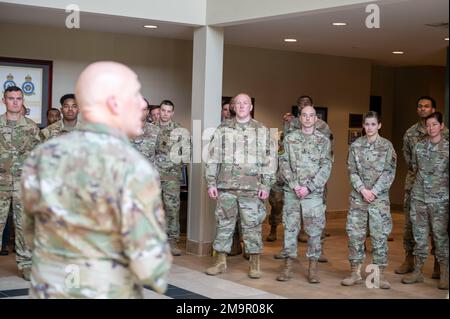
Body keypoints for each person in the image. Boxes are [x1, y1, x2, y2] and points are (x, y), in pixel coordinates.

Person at [20, 61, 172, 298]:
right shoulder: (131, 167)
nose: (143, 103)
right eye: (136, 94)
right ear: (114, 103)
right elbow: (150, 267)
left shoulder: (41, 156)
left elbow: (30, 233)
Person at [205, 93, 276, 279]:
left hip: (252, 188)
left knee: (252, 226)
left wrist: (267, 185)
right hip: (226, 186)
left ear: (251, 107)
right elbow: (213, 157)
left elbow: (270, 160)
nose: (242, 106)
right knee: (224, 224)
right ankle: (220, 262)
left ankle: (254, 264)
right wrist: (211, 182)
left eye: (246, 103)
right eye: (239, 103)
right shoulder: (223, 129)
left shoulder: (261, 130)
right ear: (233, 107)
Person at [277, 106, 332, 283]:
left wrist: (309, 187)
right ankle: (287, 267)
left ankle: (313, 268)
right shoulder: (289, 139)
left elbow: (326, 167)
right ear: (299, 118)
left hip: (313, 195)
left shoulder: (324, 141)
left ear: (316, 119)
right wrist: (294, 185)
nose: (308, 119)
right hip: (292, 193)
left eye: (311, 116)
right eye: (304, 115)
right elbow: (283, 164)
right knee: (290, 229)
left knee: (314, 231)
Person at [341, 111, 396, 289]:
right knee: (355, 236)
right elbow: (352, 171)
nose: (370, 127)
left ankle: (378, 276)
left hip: (378, 200)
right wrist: (363, 190)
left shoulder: (387, 146)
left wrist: (374, 191)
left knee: (379, 237)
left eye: (373, 124)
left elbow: (389, 173)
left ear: (379, 125)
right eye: (367, 124)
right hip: (359, 199)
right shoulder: (356, 145)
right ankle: (355, 273)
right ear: (363, 126)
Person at [396, 96, 449, 278]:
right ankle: (410, 260)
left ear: (434, 109)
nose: (422, 109)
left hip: (439, 192)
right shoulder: (411, 134)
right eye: (419, 106)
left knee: (439, 230)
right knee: (412, 226)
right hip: (415, 187)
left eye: (426, 106)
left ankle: (438, 266)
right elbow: (410, 161)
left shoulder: (446, 136)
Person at [0, 86, 41, 280]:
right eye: (11, 98)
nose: (15, 102)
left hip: (23, 185)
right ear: (4, 100)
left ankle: (26, 264)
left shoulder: (32, 127)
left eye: (18, 98)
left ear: (22, 101)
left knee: (24, 226)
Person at [155, 100, 190, 256]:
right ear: (159, 110)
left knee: (172, 208)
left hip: (171, 176)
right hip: (152, 177)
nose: (165, 114)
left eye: (169, 111)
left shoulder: (179, 130)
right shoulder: (149, 129)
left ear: (172, 113)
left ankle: (172, 241)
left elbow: (187, 154)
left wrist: (173, 165)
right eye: (163, 110)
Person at [130, 99, 160, 164]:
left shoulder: (156, 130)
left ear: (147, 111)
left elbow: (160, 154)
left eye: (144, 109)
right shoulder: (125, 130)